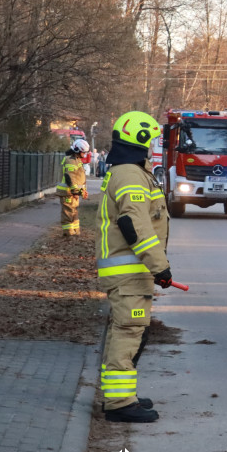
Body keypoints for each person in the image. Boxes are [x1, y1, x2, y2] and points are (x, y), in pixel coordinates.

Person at [97, 111, 177, 423]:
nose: (155, 144)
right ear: (140, 138)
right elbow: (134, 224)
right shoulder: (130, 175)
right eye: (152, 138)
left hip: (129, 273)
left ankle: (119, 395)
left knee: (127, 333)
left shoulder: (127, 171)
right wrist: (160, 267)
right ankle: (119, 404)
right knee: (129, 333)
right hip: (129, 273)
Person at [56, 139, 89, 236]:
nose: (85, 154)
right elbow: (71, 177)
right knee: (68, 212)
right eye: (83, 152)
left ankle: (75, 232)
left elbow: (78, 177)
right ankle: (68, 234)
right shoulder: (71, 160)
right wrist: (75, 191)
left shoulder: (76, 159)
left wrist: (82, 191)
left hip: (73, 192)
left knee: (74, 212)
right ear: (78, 150)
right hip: (68, 192)